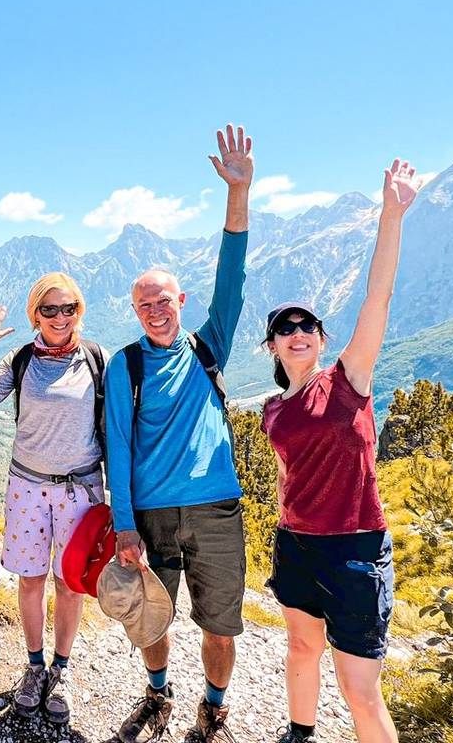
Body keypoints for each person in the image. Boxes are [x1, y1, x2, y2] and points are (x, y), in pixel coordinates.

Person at [261, 159, 420, 743]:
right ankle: (299, 733)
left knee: (359, 688)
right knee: (301, 645)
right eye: (285, 327)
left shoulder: (350, 377)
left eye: (308, 325)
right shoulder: (273, 411)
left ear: (322, 339)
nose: (298, 332)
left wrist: (392, 214)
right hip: (296, 542)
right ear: (274, 347)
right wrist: (284, 524)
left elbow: (378, 297)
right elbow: (287, 475)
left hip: (355, 546)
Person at [106, 125, 253, 743]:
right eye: (145, 305)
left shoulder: (206, 345)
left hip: (217, 509)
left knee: (221, 625)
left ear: (181, 300)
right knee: (152, 618)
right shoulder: (125, 365)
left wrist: (238, 193)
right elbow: (116, 443)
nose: (156, 310)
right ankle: (159, 693)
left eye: (163, 300)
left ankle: (213, 705)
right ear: (135, 311)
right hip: (153, 516)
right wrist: (123, 523)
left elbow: (233, 277)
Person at [0, 273, 106, 724]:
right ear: (35, 315)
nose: (60, 318)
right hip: (27, 485)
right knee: (30, 580)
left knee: (69, 583)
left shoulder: (97, 359)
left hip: (80, 488)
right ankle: (34, 665)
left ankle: (59, 670)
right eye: (49, 310)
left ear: (79, 310)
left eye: (68, 309)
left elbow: (117, 426)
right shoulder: (22, 359)